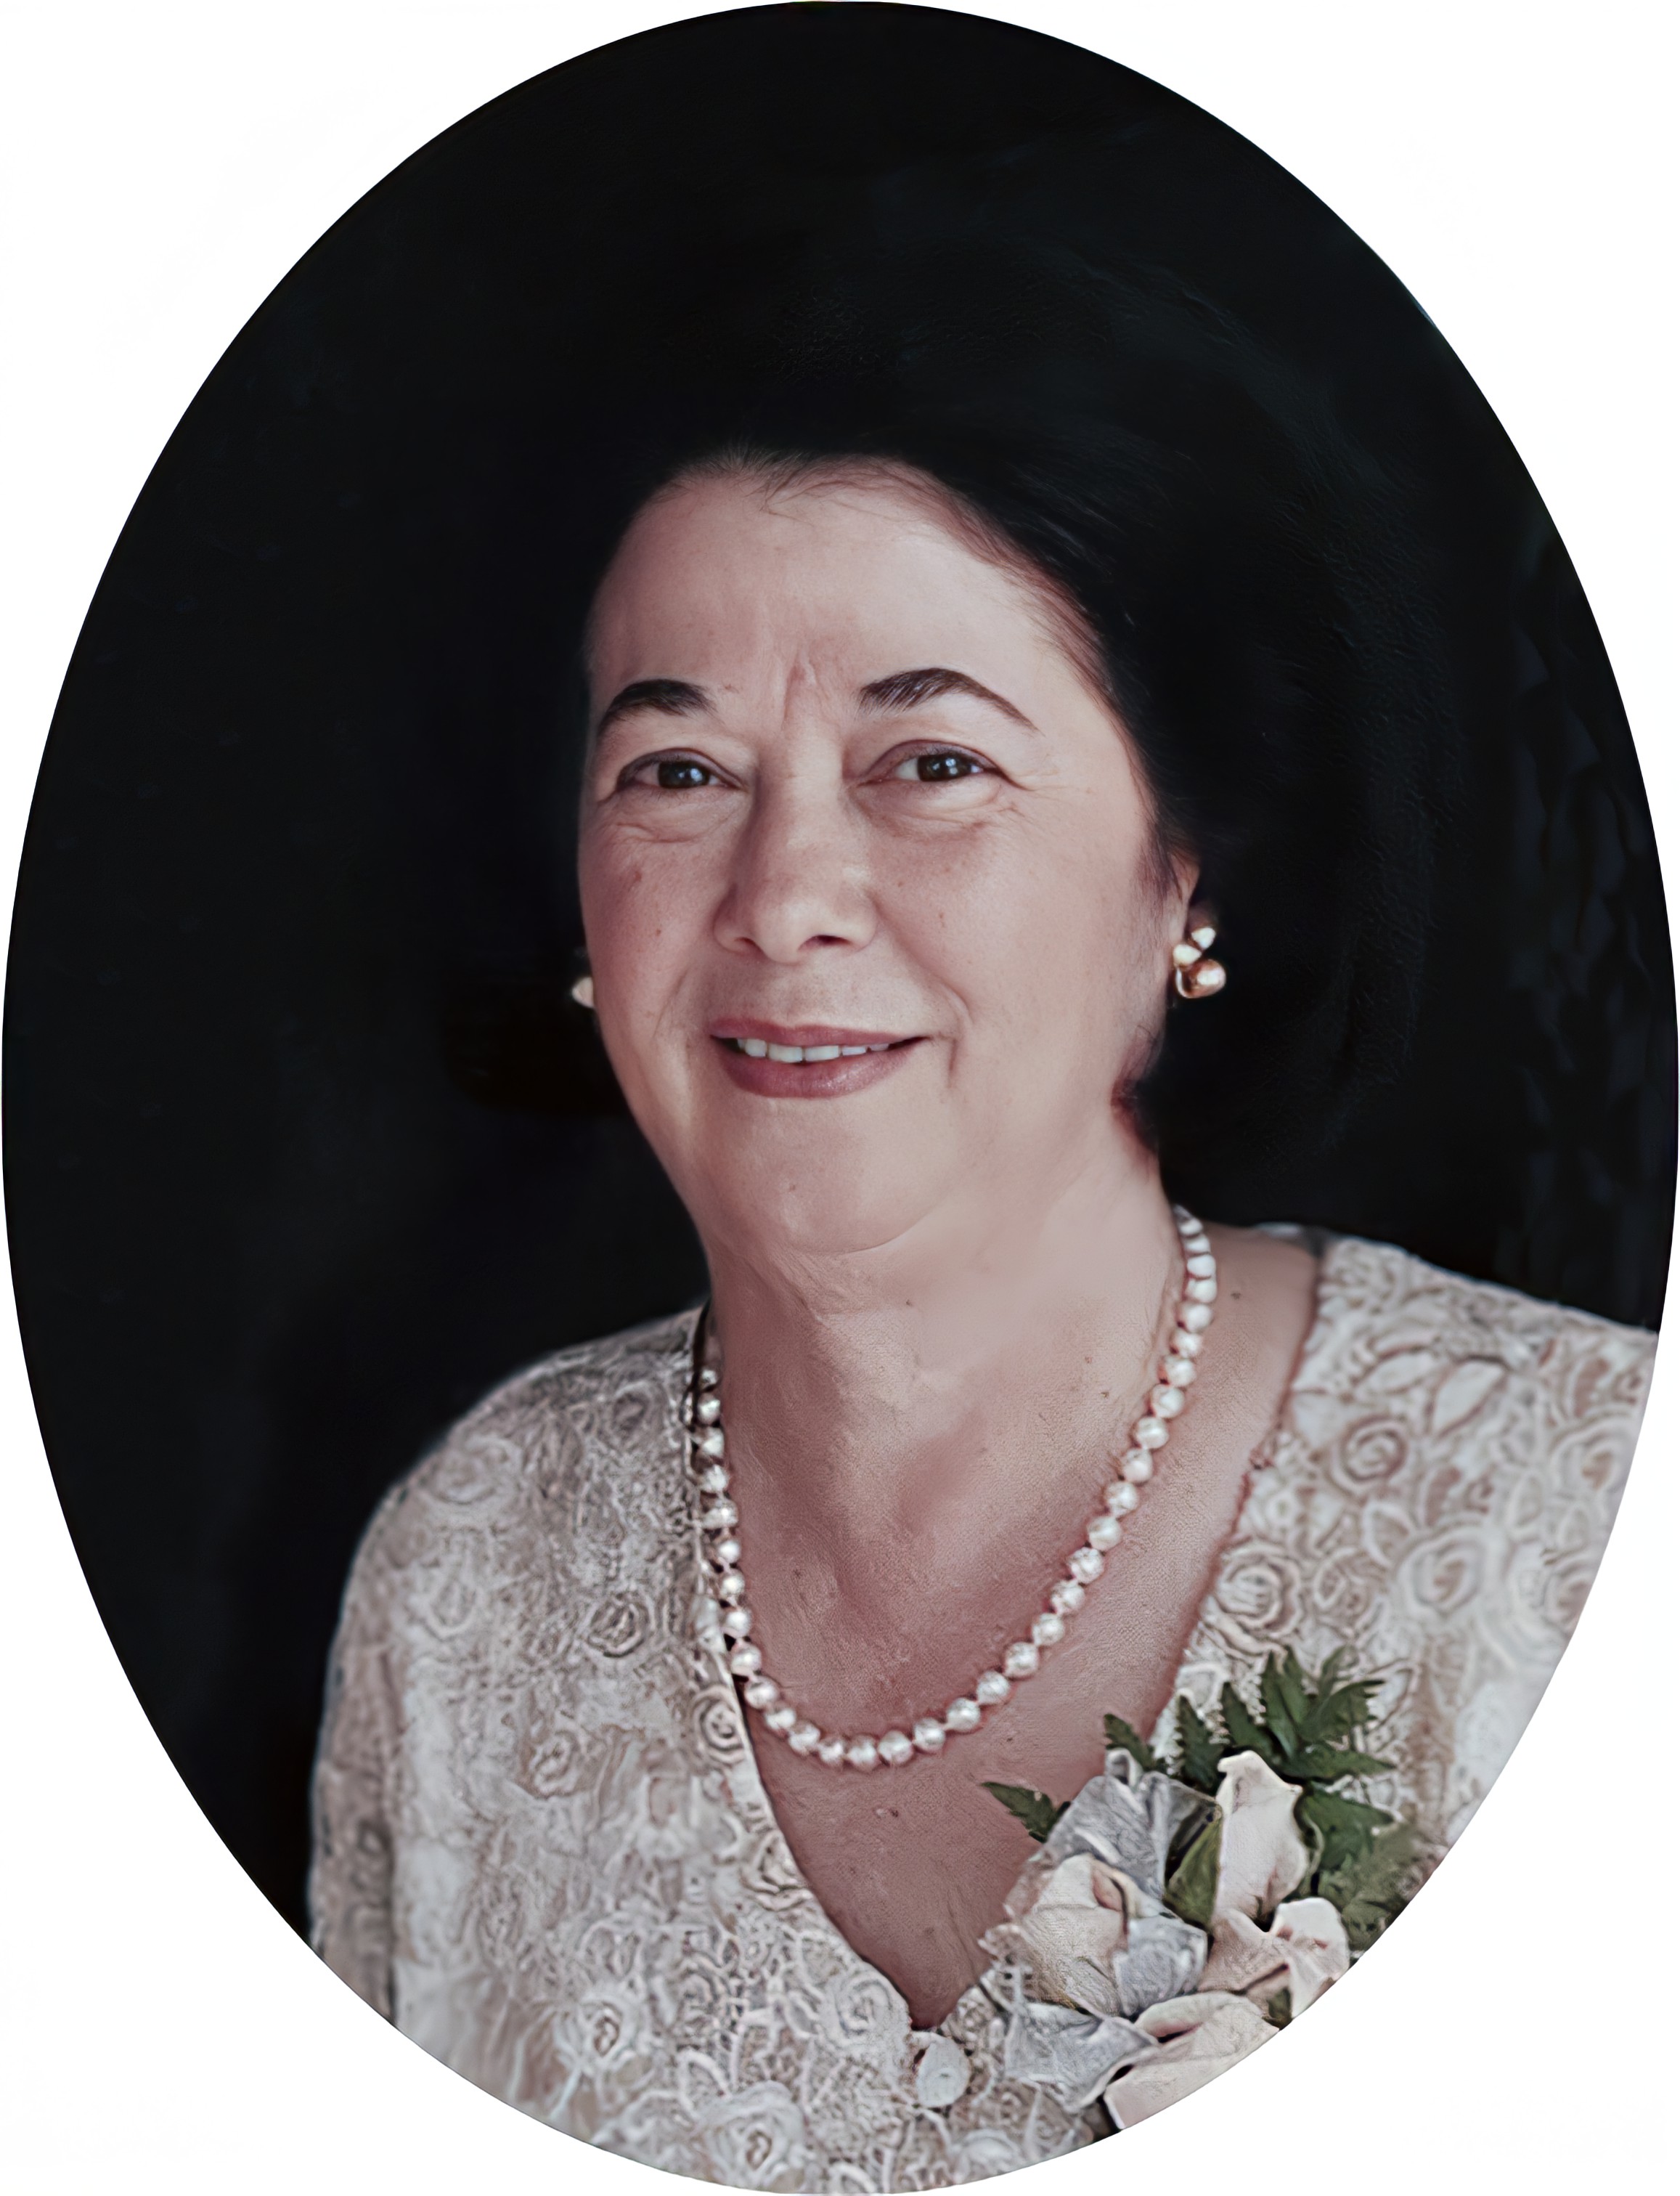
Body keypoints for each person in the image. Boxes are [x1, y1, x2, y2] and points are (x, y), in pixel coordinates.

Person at [309, 412, 1654, 2179]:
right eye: (677, 770)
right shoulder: (467, 1572)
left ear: (1182, 863)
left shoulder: (1587, 1510)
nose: (784, 899)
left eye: (931, 761)